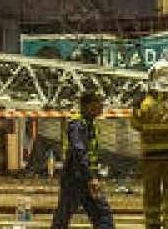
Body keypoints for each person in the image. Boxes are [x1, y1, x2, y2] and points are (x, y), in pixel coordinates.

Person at [130, 59, 168, 229]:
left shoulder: (145, 104)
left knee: (151, 195)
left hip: (150, 158)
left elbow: (136, 125)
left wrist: (135, 106)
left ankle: (152, 225)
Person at [51, 89, 114, 229]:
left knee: (101, 214)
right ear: (88, 106)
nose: (102, 107)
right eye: (99, 104)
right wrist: (91, 177)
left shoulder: (89, 123)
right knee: (66, 214)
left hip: (83, 177)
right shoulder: (78, 125)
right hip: (76, 177)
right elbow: (78, 152)